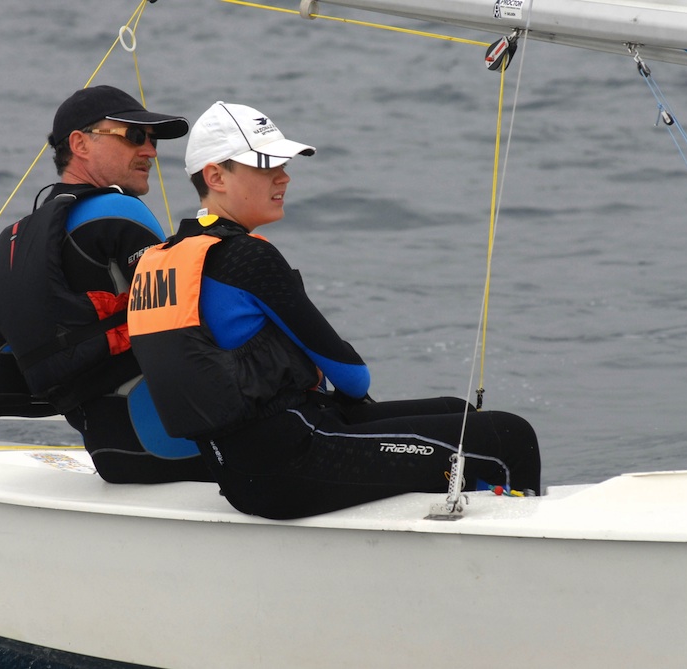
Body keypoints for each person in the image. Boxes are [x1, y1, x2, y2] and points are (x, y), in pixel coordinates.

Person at [127, 101, 540, 519]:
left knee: (457, 411)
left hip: (239, 469)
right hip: (292, 464)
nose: (283, 176)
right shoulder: (246, 257)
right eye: (266, 165)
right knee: (508, 435)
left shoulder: (159, 262)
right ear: (215, 176)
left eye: (283, 164)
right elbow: (353, 377)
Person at [0, 85, 212, 484]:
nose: (151, 152)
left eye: (153, 140)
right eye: (134, 136)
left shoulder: (17, 239)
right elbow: (187, 327)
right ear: (80, 144)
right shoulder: (118, 211)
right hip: (172, 445)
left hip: (112, 449)